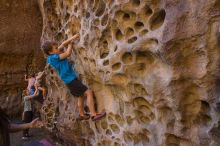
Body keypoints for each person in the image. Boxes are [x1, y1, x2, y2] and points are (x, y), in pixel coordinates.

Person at [42, 33, 106, 121]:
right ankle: (94, 114)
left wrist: (73, 37)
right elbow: (68, 53)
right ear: (50, 52)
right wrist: (71, 45)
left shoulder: (51, 56)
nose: (58, 48)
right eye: (56, 48)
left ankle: (82, 114)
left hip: (68, 81)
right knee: (88, 92)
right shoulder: (54, 57)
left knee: (80, 96)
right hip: (71, 80)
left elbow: (63, 44)